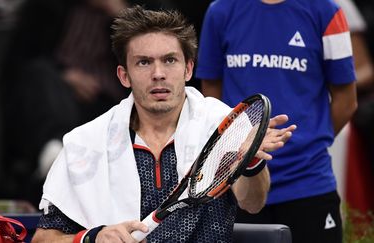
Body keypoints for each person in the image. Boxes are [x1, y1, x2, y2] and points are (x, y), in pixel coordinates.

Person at [31, 5, 296, 243]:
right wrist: (91, 238)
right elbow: (44, 239)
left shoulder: (222, 125)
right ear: (124, 76)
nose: (158, 74)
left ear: (188, 69)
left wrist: (250, 161)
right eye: (144, 62)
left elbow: (252, 203)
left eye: (169, 60)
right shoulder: (85, 142)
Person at [195, 0, 358, 243]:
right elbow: (211, 93)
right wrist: (238, 153)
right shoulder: (220, 11)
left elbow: (347, 101)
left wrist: (307, 143)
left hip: (308, 183)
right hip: (237, 184)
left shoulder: (328, 11)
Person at [0, 0, 129, 206]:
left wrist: (118, 11)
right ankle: (54, 152)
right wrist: (64, 74)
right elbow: (19, 62)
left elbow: (153, 45)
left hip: (109, 99)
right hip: (54, 94)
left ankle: (56, 154)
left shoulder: (133, 9)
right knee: (41, 76)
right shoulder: (48, 8)